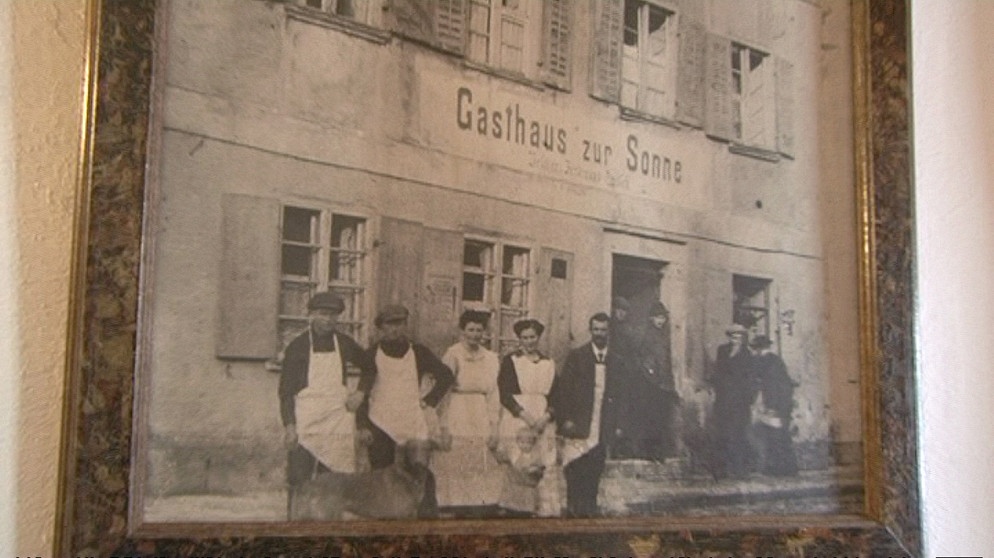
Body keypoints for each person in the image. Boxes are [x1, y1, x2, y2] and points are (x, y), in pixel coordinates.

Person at [355, 303, 454, 518]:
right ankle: (383, 526)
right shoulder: (371, 354)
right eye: (390, 324)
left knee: (421, 475)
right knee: (381, 477)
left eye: (400, 324)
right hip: (380, 422)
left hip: (412, 422)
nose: (395, 329)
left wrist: (429, 400)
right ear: (380, 328)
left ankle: (426, 524)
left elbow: (446, 376)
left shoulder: (418, 352)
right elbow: (362, 392)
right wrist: (362, 425)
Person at [278, 291, 370, 514]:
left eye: (332, 315)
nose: (328, 320)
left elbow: (370, 366)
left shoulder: (345, 344)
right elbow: (286, 391)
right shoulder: (297, 347)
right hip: (306, 422)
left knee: (334, 480)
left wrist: (360, 393)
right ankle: (295, 525)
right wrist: (290, 426)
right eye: (322, 314)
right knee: (300, 480)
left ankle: (330, 526)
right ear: (311, 315)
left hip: (336, 422)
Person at [551, 312, 624, 518]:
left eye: (603, 330)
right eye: (596, 330)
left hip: (603, 421)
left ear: (609, 332)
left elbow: (621, 394)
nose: (600, 334)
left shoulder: (617, 360)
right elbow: (564, 391)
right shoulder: (577, 356)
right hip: (579, 422)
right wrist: (567, 419)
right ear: (590, 331)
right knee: (575, 466)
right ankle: (573, 509)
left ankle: (589, 510)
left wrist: (617, 424)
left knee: (595, 466)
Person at [433, 310, 503, 510]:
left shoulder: (490, 358)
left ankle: (477, 505)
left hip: (480, 412)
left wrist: (494, 425)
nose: (474, 334)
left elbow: (493, 394)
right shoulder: (453, 354)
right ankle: (454, 505)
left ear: (484, 332)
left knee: (479, 459)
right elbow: (444, 392)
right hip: (458, 410)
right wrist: (443, 425)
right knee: (456, 459)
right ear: (462, 331)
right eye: (470, 330)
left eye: (479, 330)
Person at [497, 318, 559, 517]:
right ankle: (514, 508)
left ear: (538, 338)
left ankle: (541, 509)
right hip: (518, 416)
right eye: (524, 338)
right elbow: (504, 394)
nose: (529, 341)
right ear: (519, 339)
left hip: (543, 417)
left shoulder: (548, 363)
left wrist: (546, 417)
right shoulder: (511, 361)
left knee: (542, 462)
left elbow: (557, 395)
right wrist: (525, 416)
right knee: (519, 460)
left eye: (532, 337)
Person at [626, 301, 680, 460]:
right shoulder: (643, 334)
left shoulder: (665, 336)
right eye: (657, 317)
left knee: (661, 418)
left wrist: (671, 384)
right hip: (647, 383)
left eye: (662, 318)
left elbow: (667, 361)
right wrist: (646, 368)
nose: (660, 321)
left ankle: (658, 452)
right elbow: (636, 356)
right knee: (647, 417)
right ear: (651, 318)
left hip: (663, 384)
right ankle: (645, 451)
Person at [708, 323, 759, 479]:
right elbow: (717, 371)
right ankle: (721, 469)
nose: (736, 340)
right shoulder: (722, 351)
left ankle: (739, 469)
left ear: (743, 339)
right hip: (723, 400)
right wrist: (714, 387)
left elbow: (751, 379)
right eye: (733, 337)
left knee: (739, 434)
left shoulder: (747, 355)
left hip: (739, 402)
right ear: (729, 337)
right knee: (722, 433)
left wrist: (749, 398)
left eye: (739, 337)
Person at [749, 335, 799, 477]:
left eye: (757, 348)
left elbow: (774, 386)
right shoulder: (773, 360)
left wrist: (773, 406)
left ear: (759, 348)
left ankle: (783, 468)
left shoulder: (769, 362)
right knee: (776, 436)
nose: (756, 351)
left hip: (776, 403)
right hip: (776, 402)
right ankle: (781, 468)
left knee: (777, 436)